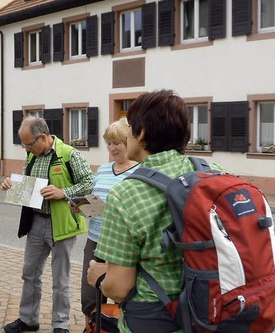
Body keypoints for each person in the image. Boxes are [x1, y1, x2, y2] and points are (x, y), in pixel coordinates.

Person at [87, 90, 223, 332]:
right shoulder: (215, 173)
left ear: (141, 134)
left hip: (157, 318)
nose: (126, 135)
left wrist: (100, 276)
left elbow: (118, 288)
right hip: (213, 311)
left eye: (129, 129)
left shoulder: (127, 194)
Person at [1, 115, 93, 333]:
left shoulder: (69, 154)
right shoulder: (32, 157)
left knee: (60, 279)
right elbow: (26, 185)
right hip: (36, 223)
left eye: (28, 144)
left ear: (43, 137)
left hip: (61, 225)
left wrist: (64, 192)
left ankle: (61, 325)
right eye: (24, 144)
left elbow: (89, 183)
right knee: (30, 273)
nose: (26, 148)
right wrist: (10, 185)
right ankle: (28, 320)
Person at [79, 118, 139, 327]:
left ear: (128, 143)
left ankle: (119, 328)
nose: (112, 148)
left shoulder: (139, 172)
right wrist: (80, 207)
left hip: (120, 244)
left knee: (120, 294)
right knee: (89, 296)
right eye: (109, 143)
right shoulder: (103, 170)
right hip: (95, 240)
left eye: (117, 143)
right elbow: (93, 202)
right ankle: (91, 327)